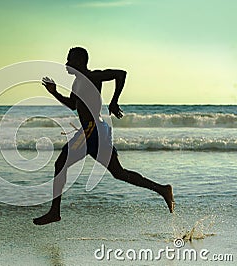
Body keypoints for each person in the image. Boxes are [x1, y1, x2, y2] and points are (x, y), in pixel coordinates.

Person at [33, 47, 174, 225]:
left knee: (61, 163)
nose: (66, 64)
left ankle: (55, 212)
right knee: (118, 172)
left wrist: (114, 101)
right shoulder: (77, 83)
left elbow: (120, 74)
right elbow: (73, 105)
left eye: (70, 60)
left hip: (93, 130)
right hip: (95, 130)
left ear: (80, 62)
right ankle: (162, 190)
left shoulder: (92, 77)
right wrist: (54, 93)